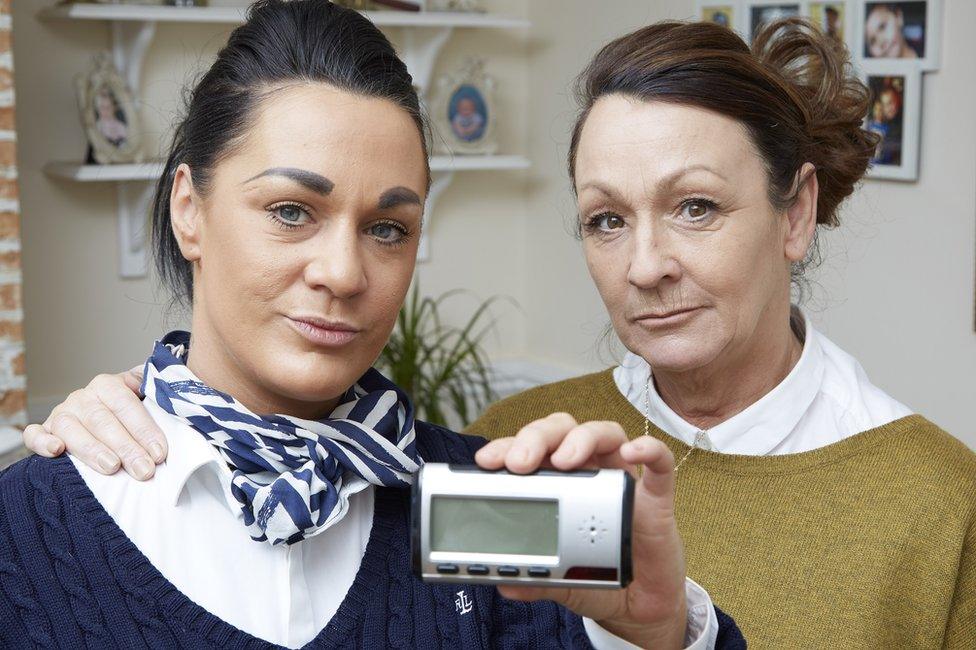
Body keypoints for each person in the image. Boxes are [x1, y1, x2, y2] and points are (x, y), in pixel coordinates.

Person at [25, 14, 976, 649]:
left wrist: (667, 634)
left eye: (389, 227)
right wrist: (63, 477)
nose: (345, 272)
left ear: (796, 213)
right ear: (189, 209)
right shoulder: (513, 456)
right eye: (290, 211)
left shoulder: (493, 493)